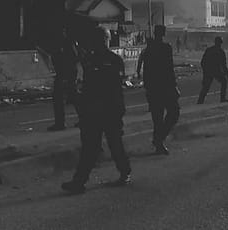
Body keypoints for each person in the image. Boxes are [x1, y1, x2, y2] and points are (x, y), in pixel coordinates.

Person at [62, 26, 131, 195]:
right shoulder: (89, 60)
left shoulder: (113, 60)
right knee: (89, 148)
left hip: (109, 109)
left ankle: (124, 171)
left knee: (115, 144)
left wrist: (119, 109)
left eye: (103, 39)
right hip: (93, 110)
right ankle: (79, 182)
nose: (101, 43)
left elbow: (116, 88)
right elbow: (85, 86)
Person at [138, 25, 180, 155]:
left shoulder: (148, 49)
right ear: (163, 33)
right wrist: (174, 86)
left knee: (157, 117)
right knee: (173, 113)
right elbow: (169, 69)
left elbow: (142, 67)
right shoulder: (165, 48)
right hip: (165, 86)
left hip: (152, 87)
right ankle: (159, 139)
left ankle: (159, 141)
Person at [47, 27, 82, 131]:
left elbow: (73, 58)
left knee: (60, 98)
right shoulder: (65, 43)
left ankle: (60, 123)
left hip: (65, 74)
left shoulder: (67, 44)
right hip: (66, 74)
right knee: (73, 97)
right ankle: (82, 119)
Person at [197, 36, 228, 104]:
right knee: (224, 81)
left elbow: (203, 62)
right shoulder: (221, 51)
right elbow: (224, 65)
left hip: (208, 70)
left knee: (206, 86)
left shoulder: (209, 50)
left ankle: (200, 101)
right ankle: (222, 98)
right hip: (216, 71)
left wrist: (205, 71)